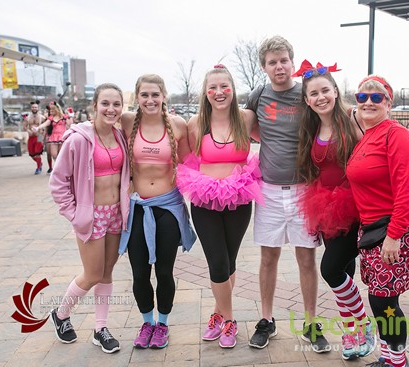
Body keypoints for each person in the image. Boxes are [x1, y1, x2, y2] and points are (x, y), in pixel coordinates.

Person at [244, 36, 330, 353]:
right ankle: (266, 320)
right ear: (264, 67)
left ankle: (310, 323)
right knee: (269, 257)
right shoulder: (258, 95)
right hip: (268, 189)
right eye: (272, 62)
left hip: (304, 190)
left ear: (292, 62)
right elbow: (249, 129)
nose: (278, 66)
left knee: (306, 258)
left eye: (283, 60)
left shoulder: (306, 92)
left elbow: (333, 117)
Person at [294, 60, 377, 360]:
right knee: (343, 272)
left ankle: (364, 325)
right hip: (324, 207)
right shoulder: (313, 126)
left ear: (335, 91)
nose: (320, 97)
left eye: (325, 90)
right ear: (307, 99)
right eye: (313, 93)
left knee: (329, 269)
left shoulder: (353, 119)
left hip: (355, 206)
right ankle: (350, 331)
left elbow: (379, 145)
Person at [176, 64, 262, 349]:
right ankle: (230, 320)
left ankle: (216, 313)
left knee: (230, 260)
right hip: (205, 199)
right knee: (217, 262)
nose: (219, 92)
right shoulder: (196, 124)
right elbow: (185, 159)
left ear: (233, 89)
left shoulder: (246, 118)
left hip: (239, 197)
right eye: (212, 87)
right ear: (205, 92)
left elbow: (277, 135)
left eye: (224, 86)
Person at [346, 75, 409, 367]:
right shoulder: (368, 135)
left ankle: (397, 361)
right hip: (373, 229)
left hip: (397, 228)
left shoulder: (396, 135)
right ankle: (390, 358)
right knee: (381, 299)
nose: (368, 102)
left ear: (389, 103)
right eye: (362, 97)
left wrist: (394, 235)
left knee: (384, 301)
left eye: (376, 97)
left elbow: (407, 190)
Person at [48, 83, 130, 354]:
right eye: (105, 103)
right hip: (91, 216)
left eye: (116, 104)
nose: (111, 109)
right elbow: (58, 181)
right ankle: (61, 314)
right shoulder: (78, 139)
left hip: (115, 215)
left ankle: (100, 329)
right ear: (94, 105)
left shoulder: (119, 137)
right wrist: (75, 214)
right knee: (92, 273)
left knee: (106, 273)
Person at [118, 74, 197, 350]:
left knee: (164, 272)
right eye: (144, 95)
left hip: (167, 209)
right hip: (138, 208)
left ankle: (162, 324)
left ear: (164, 95)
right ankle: (147, 322)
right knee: (139, 273)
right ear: (137, 98)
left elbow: (192, 163)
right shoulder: (127, 121)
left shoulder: (177, 125)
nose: (150, 100)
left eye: (155, 94)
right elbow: (98, 125)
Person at [36, 101, 73, 170]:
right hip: (50, 137)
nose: (50, 111)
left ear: (56, 109)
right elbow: (45, 127)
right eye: (49, 109)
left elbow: (70, 124)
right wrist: (40, 137)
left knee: (61, 154)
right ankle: (52, 167)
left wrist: (71, 116)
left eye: (52, 109)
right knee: (51, 154)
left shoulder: (64, 117)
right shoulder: (48, 118)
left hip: (61, 137)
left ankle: (60, 168)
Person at [23, 100, 46, 174]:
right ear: (31, 108)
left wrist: (42, 134)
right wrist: (28, 130)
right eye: (33, 107)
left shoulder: (42, 117)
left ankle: (38, 168)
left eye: (35, 107)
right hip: (31, 137)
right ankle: (40, 163)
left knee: (37, 152)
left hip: (39, 136)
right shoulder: (27, 118)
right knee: (32, 154)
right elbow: (25, 126)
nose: (34, 108)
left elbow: (45, 127)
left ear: (38, 108)